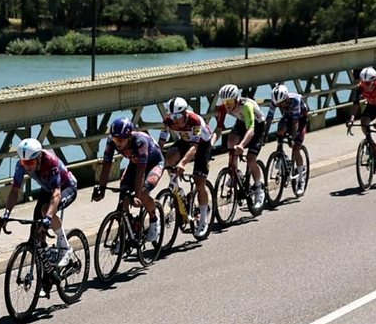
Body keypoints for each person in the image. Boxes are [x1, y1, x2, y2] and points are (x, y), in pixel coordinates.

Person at [0, 138, 77, 265]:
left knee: (46, 211)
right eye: (24, 162)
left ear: (39, 157)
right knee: (36, 230)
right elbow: (14, 191)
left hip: (66, 188)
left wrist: (49, 217)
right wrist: (6, 213)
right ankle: (47, 265)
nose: (27, 166)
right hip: (48, 189)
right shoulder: (21, 165)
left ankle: (65, 247)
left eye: (30, 162)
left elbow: (57, 194)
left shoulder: (50, 161)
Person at [93, 116, 164, 242]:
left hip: (154, 163)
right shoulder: (111, 142)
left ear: (129, 137)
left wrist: (137, 196)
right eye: (115, 139)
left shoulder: (140, 142)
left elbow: (140, 174)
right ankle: (128, 226)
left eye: (121, 139)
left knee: (143, 193)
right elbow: (106, 166)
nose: (118, 143)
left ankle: (154, 219)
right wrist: (101, 189)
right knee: (124, 194)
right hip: (136, 163)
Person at [156, 97, 214, 229]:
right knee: (170, 157)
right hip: (185, 141)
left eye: (177, 116)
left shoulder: (194, 120)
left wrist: (182, 163)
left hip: (202, 145)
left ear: (184, 113)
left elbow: (194, 147)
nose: (174, 119)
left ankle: (203, 220)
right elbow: (161, 142)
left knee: (199, 183)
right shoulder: (168, 121)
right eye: (172, 116)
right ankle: (177, 189)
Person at [214, 84, 267, 207]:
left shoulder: (246, 105)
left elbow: (251, 130)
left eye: (229, 101)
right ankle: (235, 172)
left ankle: (259, 188)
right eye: (224, 101)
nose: (227, 105)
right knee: (231, 141)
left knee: (250, 159)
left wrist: (242, 145)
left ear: (236, 99)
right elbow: (218, 129)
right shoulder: (223, 108)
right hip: (242, 122)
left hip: (257, 126)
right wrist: (210, 144)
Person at [347, 66, 376, 176]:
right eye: (364, 83)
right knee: (364, 123)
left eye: (368, 83)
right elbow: (355, 104)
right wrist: (351, 119)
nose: (365, 86)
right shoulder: (360, 87)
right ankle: (372, 145)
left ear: (374, 82)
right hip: (372, 106)